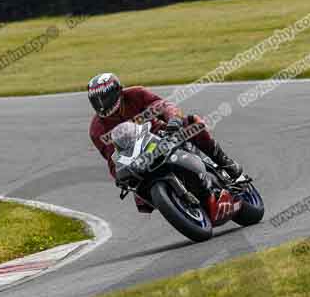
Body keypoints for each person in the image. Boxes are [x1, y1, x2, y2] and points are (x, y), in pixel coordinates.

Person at [87, 73, 242, 212]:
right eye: (97, 100)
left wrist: (173, 120)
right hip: (137, 158)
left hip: (162, 136)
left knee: (192, 123)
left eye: (105, 98)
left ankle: (225, 162)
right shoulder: (96, 129)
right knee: (136, 191)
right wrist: (119, 177)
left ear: (118, 92)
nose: (102, 104)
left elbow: (163, 105)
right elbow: (112, 157)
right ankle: (177, 202)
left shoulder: (136, 94)